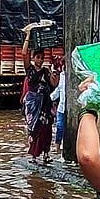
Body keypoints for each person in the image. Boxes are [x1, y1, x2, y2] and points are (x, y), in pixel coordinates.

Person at [21, 26, 57, 164]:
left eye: (42, 58)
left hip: (45, 103)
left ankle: (46, 154)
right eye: (38, 57)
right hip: (32, 102)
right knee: (34, 128)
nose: (40, 60)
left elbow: (54, 84)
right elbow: (24, 53)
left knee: (46, 128)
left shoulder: (46, 71)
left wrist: (57, 71)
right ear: (33, 57)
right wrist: (28, 36)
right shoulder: (29, 69)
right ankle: (34, 155)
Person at [51, 64, 65, 158]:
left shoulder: (72, 76)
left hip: (69, 108)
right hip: (61, 107)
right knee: (59, 127)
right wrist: (50, 98)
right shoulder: (62, 76)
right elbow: (58, 90)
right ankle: (57, 148)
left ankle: (63, 148)